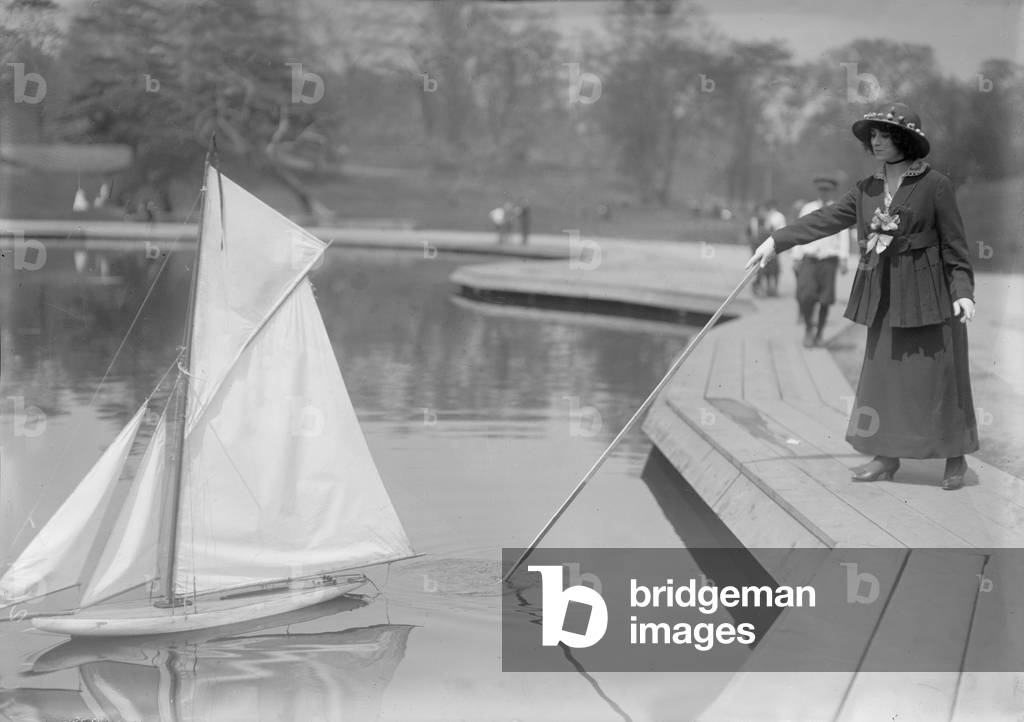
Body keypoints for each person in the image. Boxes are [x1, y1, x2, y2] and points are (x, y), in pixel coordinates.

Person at [747, 102, 978, 490]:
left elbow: (955, 245)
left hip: (931, 294)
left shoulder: (935, 185)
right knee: (884, 377)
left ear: (904, 139)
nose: (877, 140)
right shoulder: (866, 188)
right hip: (884, 295)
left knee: (938, 374)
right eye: (873, 134)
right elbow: (825, 220)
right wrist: (776, 241)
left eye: (885, 134)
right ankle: (886, 457)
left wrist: (964, 292)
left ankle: (954, 458)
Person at [791, 173, 851, 347]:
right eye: (821, 190)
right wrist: (796, 256)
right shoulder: (808, 208)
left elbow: (844, 235)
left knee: (825, 299)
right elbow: (798, 231)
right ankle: (809, 328)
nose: (824, 193)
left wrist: (844, 259)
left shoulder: (838, 209)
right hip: (809, 259)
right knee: (806, 295)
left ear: (833, 191)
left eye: (827, 190)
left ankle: (819, 334)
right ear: (817, 190)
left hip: (828, 261)